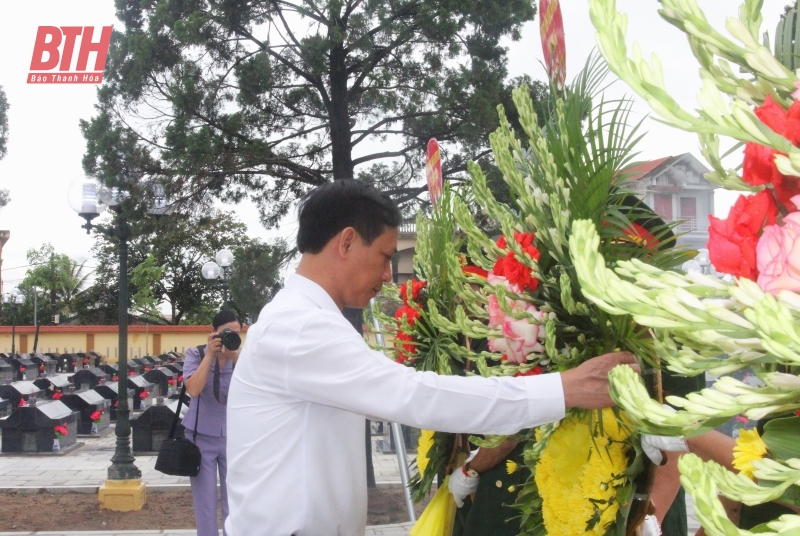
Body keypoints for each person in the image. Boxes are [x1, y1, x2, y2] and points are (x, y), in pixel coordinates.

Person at [224, 179, 639, 536]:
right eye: (386, 257)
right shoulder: (299, 328)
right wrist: (562, 389)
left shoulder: (306, 320)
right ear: (347, 241)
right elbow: (417, 396)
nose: (389, 275)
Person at [182, 310, 242, 536]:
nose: (231, 337)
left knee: (234, 500)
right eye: (226, 332)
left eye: (236, 333)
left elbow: (260, 389)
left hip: (235, 438)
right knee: (205, 501)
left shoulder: (244, 359)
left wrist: (237, 357)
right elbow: (194, 389)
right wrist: (209, 355)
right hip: (201, 437)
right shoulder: (196, 354)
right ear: (213, 333)